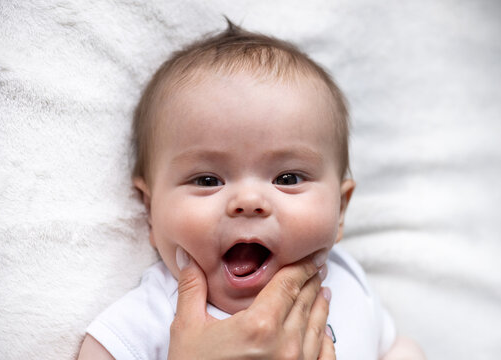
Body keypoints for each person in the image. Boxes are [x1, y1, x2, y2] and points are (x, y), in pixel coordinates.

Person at [78, 21, 426, 359]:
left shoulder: (347, 279)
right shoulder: (147, 322)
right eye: (207, 180)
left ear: (340, 211)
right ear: (151, 211)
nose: (248, 201)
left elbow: (394, 347)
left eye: (288, 179)